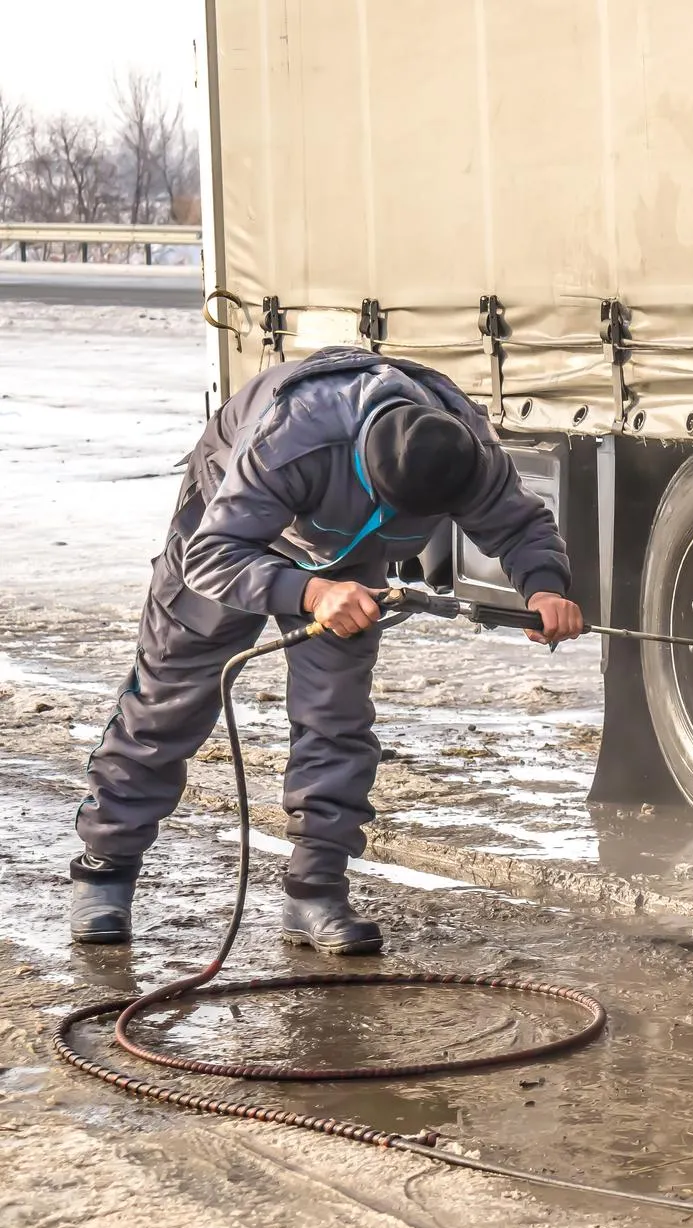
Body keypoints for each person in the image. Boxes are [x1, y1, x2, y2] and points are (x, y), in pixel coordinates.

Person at [70, 345, 583, 953]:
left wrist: (546, 587)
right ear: (367, 474)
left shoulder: (464, 448)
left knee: (335, 716)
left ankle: (314, 894)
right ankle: (105, 872)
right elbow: (212, 557)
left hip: (348, 552)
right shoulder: (295, 440)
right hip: (229, 537)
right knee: (169, 702)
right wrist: (312, 591)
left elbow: (520, 524)